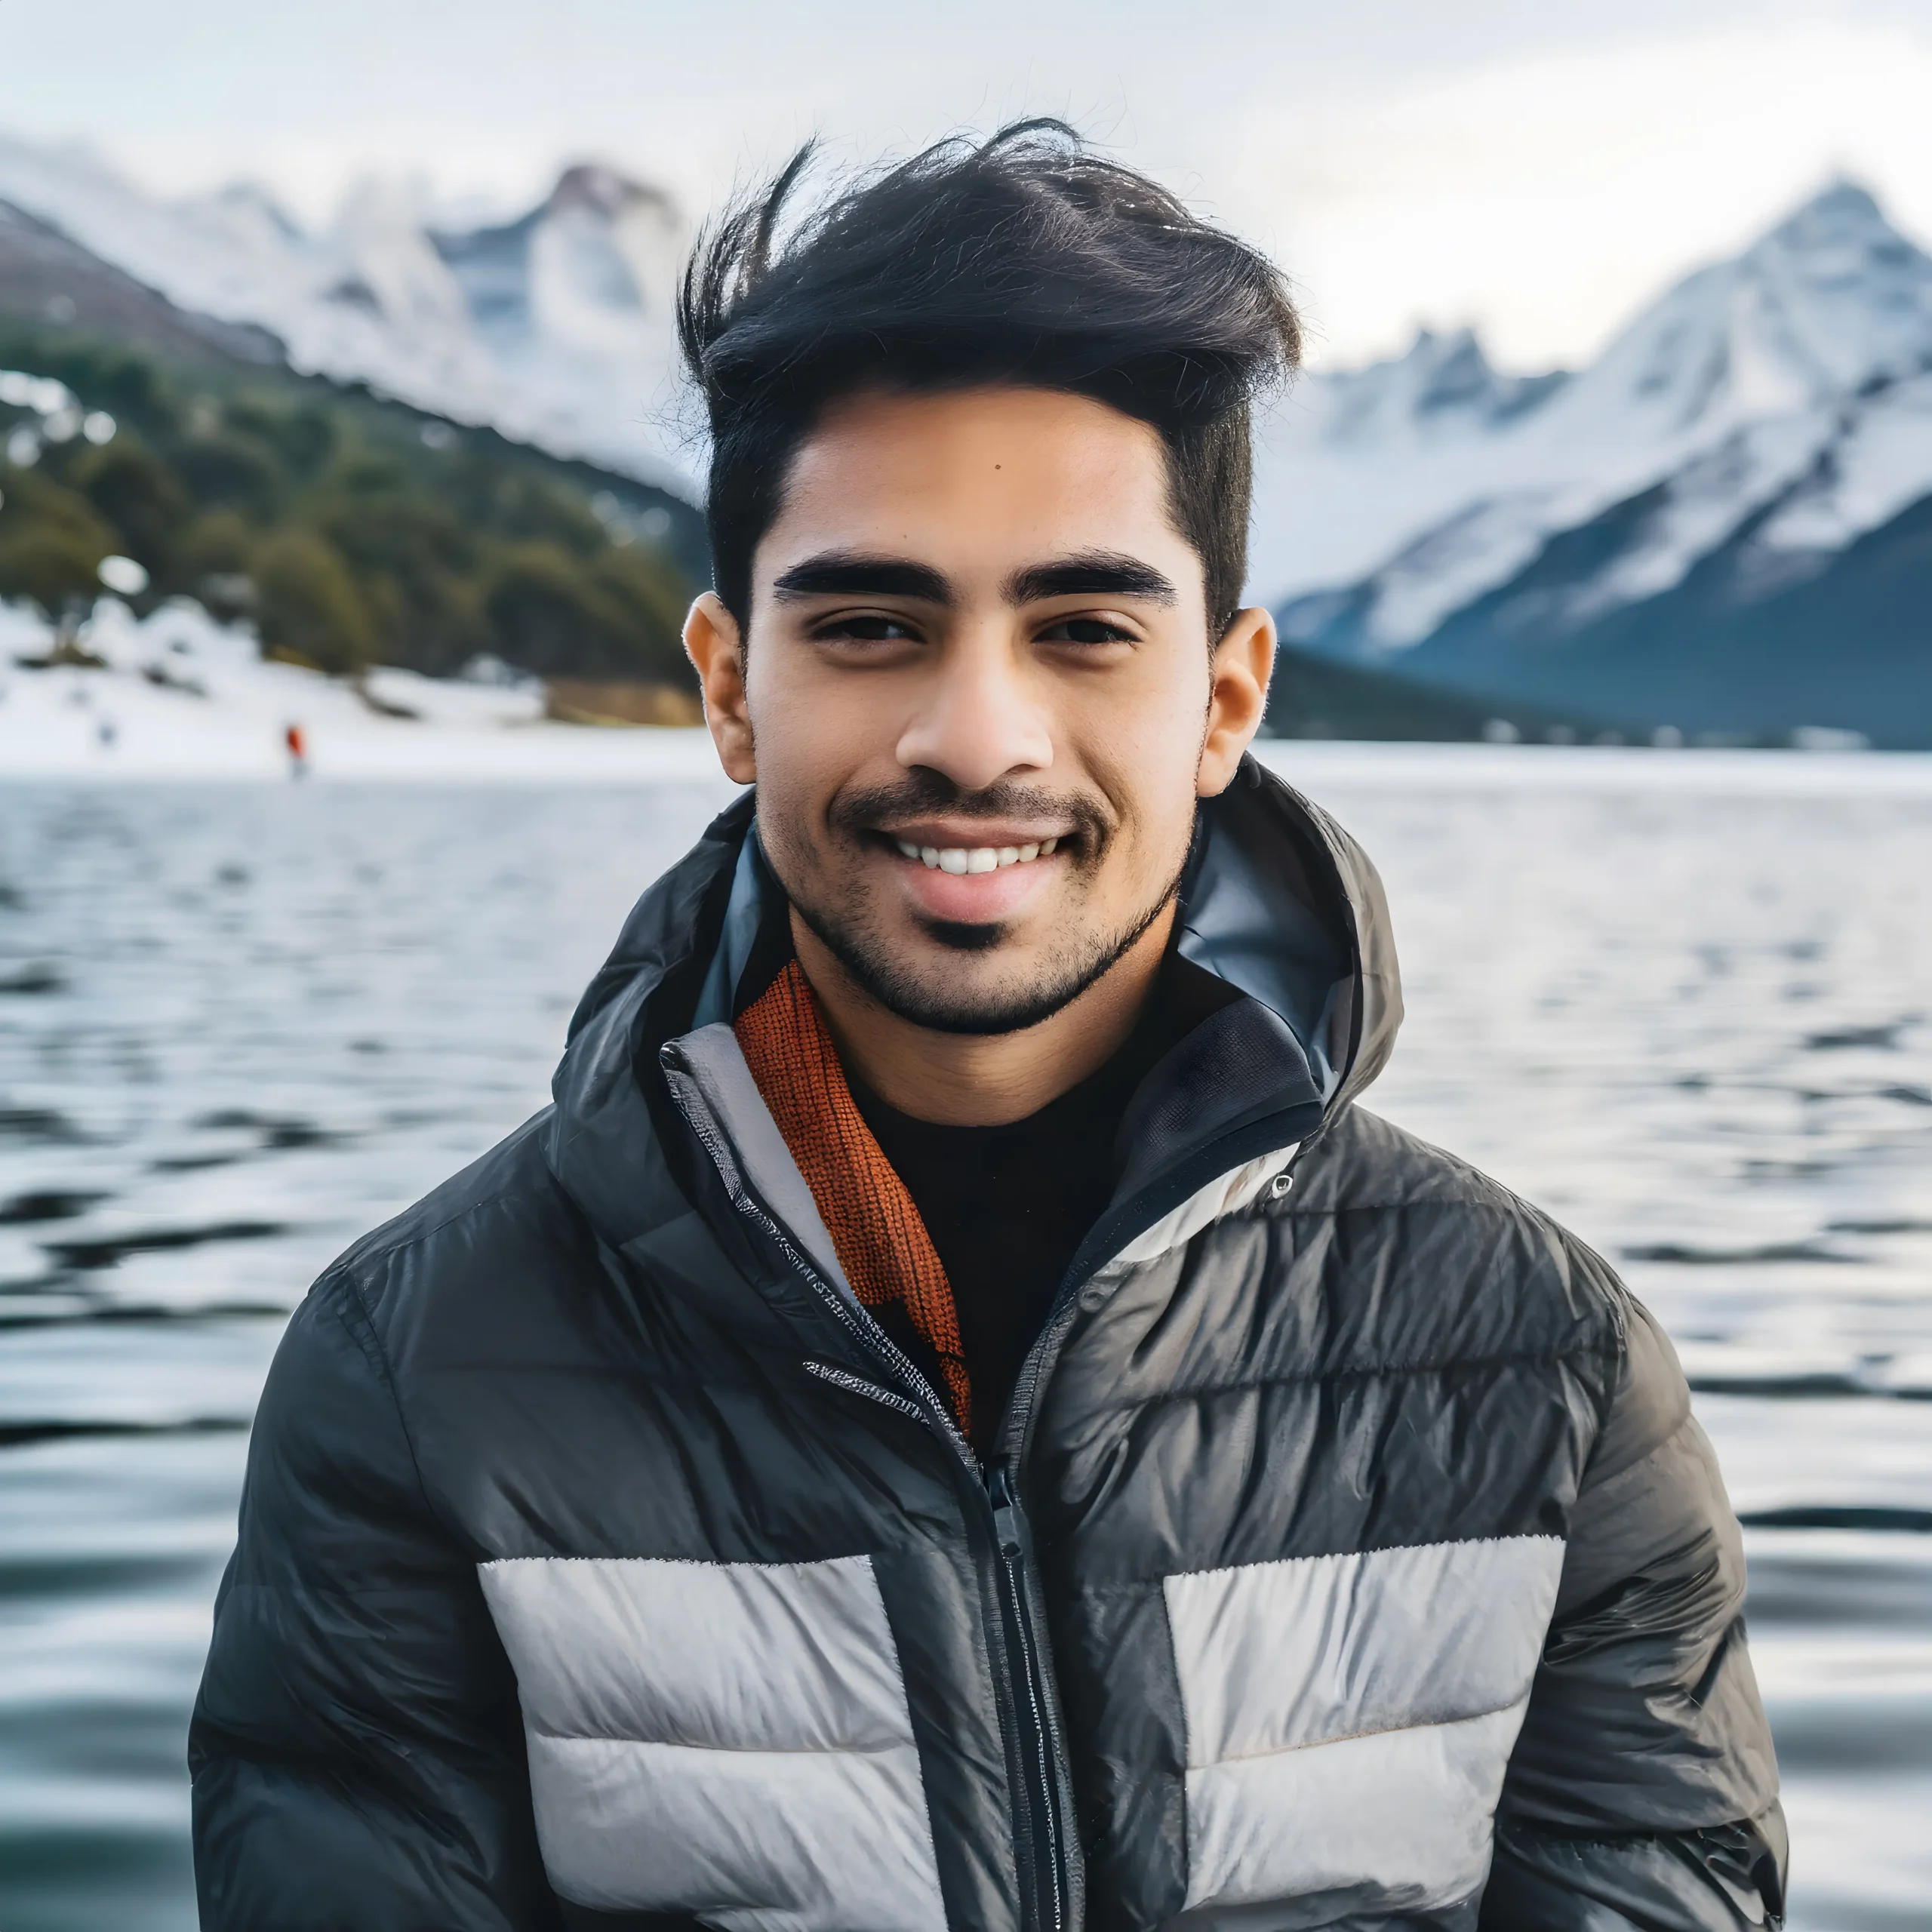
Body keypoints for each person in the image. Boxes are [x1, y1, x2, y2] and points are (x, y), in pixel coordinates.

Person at [189, 125, 1786, 1930]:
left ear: (1222, 696)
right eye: (870, 623)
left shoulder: (1544, 1370)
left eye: (1085, 627)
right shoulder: (417, 1374)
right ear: (729, 686)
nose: (977, 733)